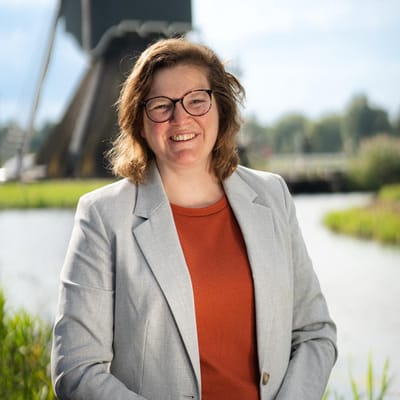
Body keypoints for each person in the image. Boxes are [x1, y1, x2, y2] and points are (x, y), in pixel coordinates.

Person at [51, 37, 337, 400]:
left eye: (197, 100)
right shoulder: (103, 217)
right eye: (161, 106)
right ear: (140, 121)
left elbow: (315, 333)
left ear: (221, 108)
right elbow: (76, 370)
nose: (181, 117)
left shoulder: (272, 195)